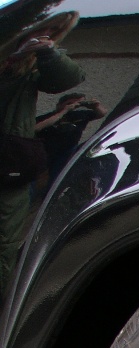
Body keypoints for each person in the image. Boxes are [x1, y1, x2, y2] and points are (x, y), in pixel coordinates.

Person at [0, 12, 84, 299]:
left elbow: (69, 78)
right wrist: (12, 59)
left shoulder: (38, 64)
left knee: (5, 241)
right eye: (40, 28)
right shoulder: (9, 59)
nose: (44, 33)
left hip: (9, 167)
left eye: (53, 30)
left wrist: (47, 52)